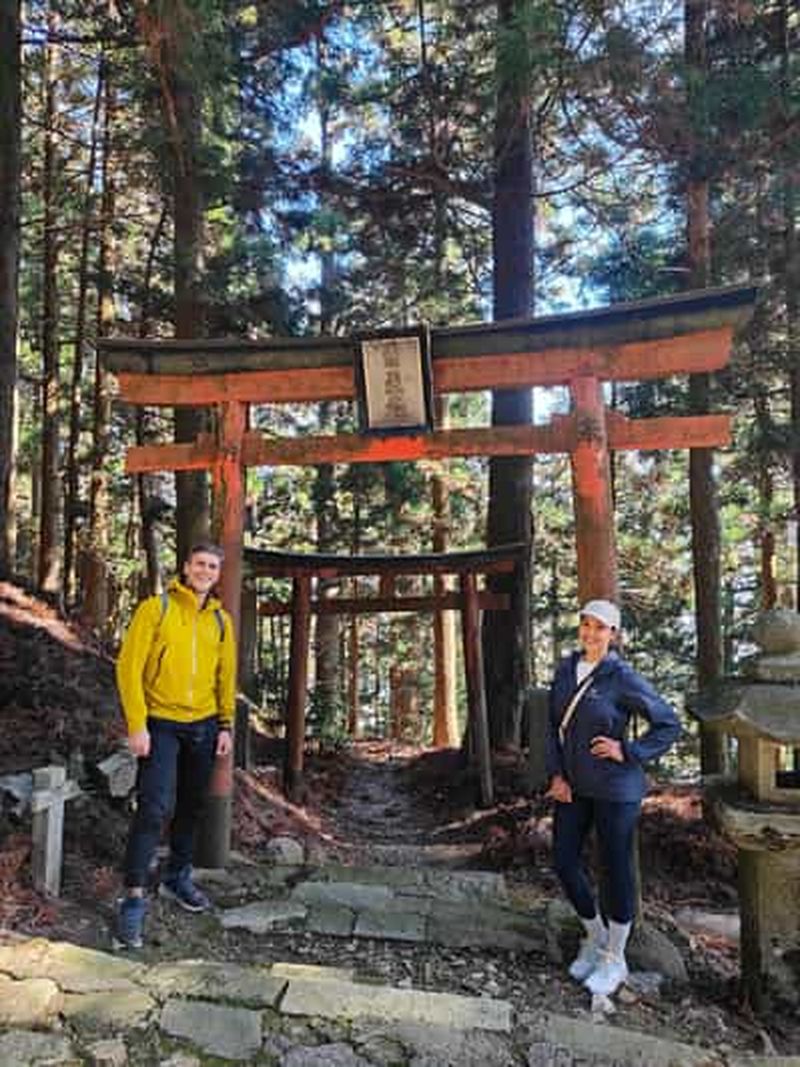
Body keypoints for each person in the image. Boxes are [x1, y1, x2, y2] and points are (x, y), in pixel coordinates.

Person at [545, 599, 680, 996]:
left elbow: (668, 723)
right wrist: (556, 774)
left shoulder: (621, 677)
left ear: (613, 634)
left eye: (600, 627)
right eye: (586, 624)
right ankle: (595, 937)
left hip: (615, 789)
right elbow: (553, 727)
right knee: (564, 861)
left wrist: (629, 750)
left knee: (615, 869)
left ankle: (615, 958)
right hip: (573, 787)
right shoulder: (566, 670)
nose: (591, 633)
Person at [114, 541, 236, 949]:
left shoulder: (220, 621)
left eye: (213, 566)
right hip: (160, 723)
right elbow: (128, 668)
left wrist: (225, 724)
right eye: (200, 563)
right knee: (154, 807)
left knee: (191, 806)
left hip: (204, 725)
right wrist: (137, 725)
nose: (205, 571)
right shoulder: (156, 609)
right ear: (186, 567)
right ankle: (133, 896)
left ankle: (177, 876)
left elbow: (225, 676)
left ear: (218, 574)